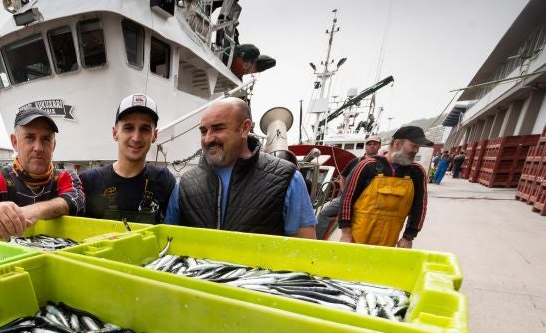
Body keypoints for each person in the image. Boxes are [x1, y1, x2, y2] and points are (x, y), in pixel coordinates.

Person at [164, 97, 317, 238]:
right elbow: (168, 239)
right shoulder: (185, 183)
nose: (208, 138)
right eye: (204, 131)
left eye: (218, 128)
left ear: (244, 128)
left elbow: (307, 246)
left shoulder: (287, 178)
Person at [0, 107, 85, 238]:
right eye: (30, 137)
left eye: (46, 139)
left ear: (53, 145)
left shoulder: (66, 177)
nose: (38, 148)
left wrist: (33, 211)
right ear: (15, 142)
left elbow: (75, 200)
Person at [80, 94, 176, 224]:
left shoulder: (165, 181)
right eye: (128, 128)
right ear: (115, 133)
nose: (136, 138)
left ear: (154, 135)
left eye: (145, 129)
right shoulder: (88, 181)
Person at [338, 125, 432, 248]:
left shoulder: (417, 172)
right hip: (358, 234)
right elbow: (347, 199)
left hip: (390, 237)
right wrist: (345, 232)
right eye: (413, 146)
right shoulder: (367, 166)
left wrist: (408, 236)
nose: (416, 151)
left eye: (418, 147)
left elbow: (420, 206)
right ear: (397, 143)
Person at [314, 134, 383, 239]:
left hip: (370, 200)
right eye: (369, 144)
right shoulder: (355, 162)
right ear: (366, 146)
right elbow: (342, 176)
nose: (372, 146)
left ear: (379, 146)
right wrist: (344, 191)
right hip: (348, 197)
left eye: (375, 144)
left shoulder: (383, 165)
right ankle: (317, 241)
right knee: (324, 213)